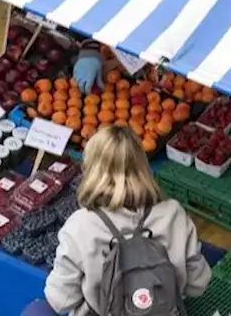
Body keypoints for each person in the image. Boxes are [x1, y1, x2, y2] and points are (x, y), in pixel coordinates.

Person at [32, 126, 211, 315]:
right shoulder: (174, 215)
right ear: (142, 165)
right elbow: (198, 283)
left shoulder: (80, 226)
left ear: (92, 169)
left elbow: (60, 300)